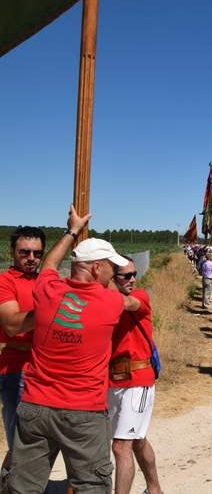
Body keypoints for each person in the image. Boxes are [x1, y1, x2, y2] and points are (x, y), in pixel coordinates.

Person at [5, 206, 141, 492]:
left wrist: (71, 230)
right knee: (91, 484)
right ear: (95, 268)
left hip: (36, 406)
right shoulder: (110, 302)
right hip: (83, 411)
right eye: (111, 268)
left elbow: (50, 265)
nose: (114, 274)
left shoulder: (46, 290)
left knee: (22, 486)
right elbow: (134, 304)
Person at [108, 257, 162, 494]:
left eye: (134, 274)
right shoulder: (102, 301)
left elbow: (127, 303)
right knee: (137, 441)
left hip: (138, 380)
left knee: (120, 446)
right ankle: (154, 489)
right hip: (111, 381)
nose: (132, 279)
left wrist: (97, 289)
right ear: (113, 277)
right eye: (125, 275)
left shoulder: (140, 296)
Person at [0, 227, 44, 467]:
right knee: (20, 441)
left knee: (38, 440)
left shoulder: (46, 281)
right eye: (24, 252)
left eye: (37, 253)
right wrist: (48, 309)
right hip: (16, 368)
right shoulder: (5, 281)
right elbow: (12, 325)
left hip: (44, 369)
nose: (31, 258)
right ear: (12, 252)